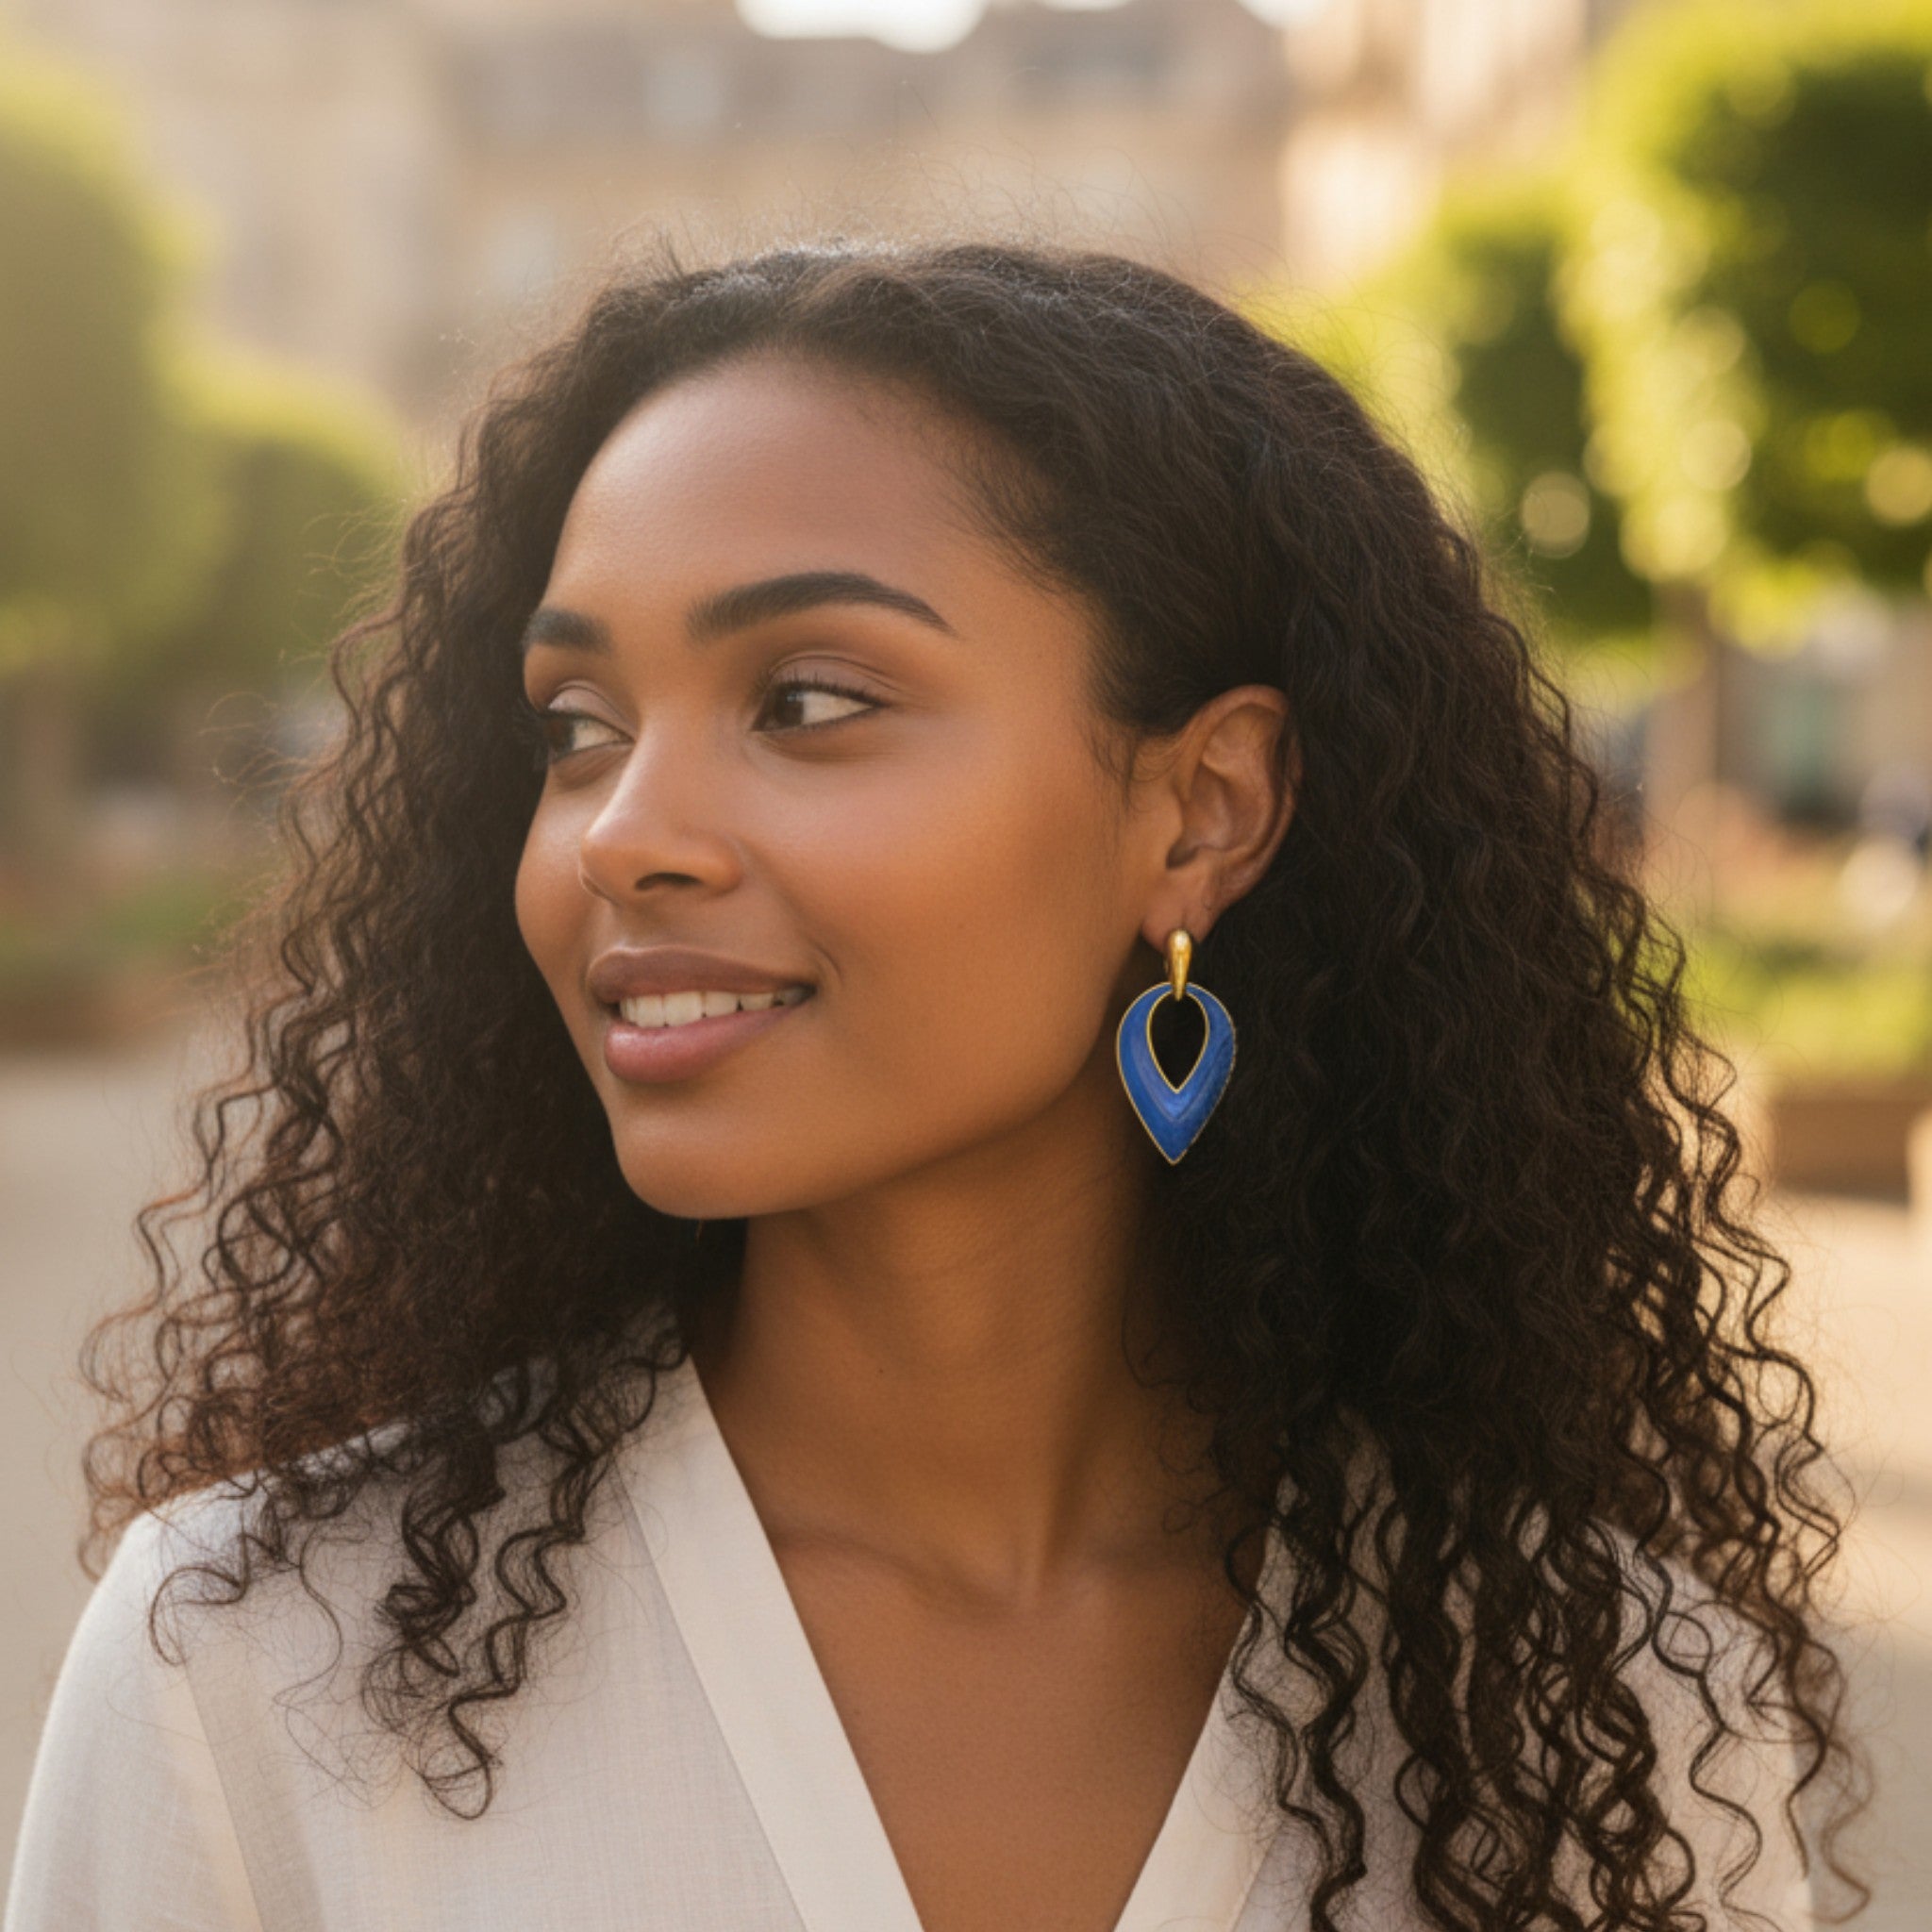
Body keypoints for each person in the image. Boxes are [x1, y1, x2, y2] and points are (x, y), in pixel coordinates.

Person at [4, 236, 1864, 1932]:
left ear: (1199, 810)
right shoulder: (254, 1664)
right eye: (576, 728)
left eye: (810, 698)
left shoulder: (1607, 1705)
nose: (622, 832)